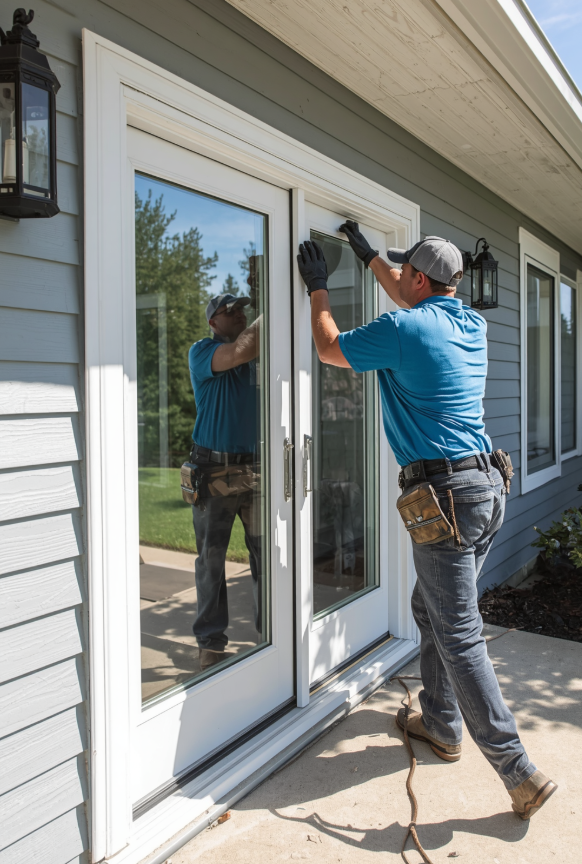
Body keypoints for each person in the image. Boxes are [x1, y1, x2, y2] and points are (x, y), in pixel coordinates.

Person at [297, 225, 557, 820]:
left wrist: (318, 287)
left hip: (443, 497)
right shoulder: (471, 325)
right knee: (429, 608)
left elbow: (329, 346)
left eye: (403, 273)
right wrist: (366, 254)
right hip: (490, 486)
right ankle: (441, 723)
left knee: (459, 630)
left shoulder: (402, 327)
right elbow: (406, 293)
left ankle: (518, 771)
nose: (398, 281)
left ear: (419, 279)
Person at [188, 291, 262, 671]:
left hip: (255, 469)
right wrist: (276, 308)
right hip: (213, 470)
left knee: (268, 557)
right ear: (213, 321)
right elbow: (240, 350)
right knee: (212, 559)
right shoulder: (202, 351)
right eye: (228, 310)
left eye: (242, 309)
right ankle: (210, 644)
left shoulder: (259, 358)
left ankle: (273, 636)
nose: (238, 313)